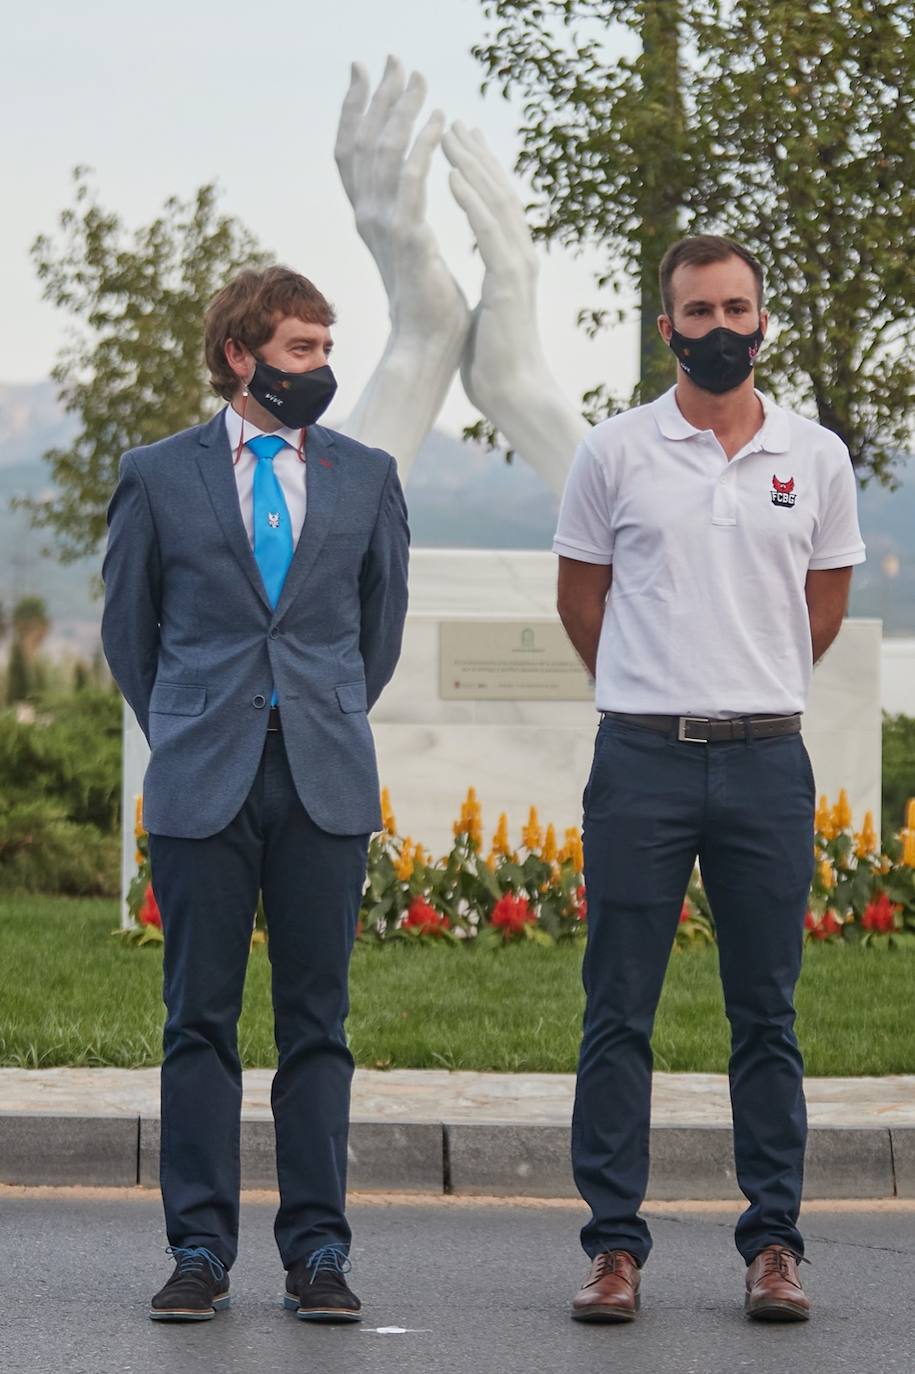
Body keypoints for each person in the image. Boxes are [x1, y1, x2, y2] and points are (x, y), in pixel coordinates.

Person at [553, 234, 865, 1325]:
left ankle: (773, 1245)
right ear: (667, 326)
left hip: (768, 761)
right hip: (640, 758)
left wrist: (750, 682)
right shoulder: (614, 452)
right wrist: (651, 691)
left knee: (767, 1015)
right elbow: (581, 598)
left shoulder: (815, 456)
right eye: (700, 312)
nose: (721, 329)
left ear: (762, 319)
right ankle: (613, 1249)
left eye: (739, 309)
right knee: (617, 1012)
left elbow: (817, 608)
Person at [102, 265, 409, 1323]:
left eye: (327, 349)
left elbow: (379, 633)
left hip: (324, 777)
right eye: (301, 350)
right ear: (242, 354)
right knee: (199, 1022)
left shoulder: (369, 476)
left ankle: (318, 1253)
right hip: (201, 781)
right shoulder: (155, 473)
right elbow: (126, 635)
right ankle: (198, 1251)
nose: (321, 369)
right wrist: (192, 725)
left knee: (317, 1024)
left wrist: (312, 712)